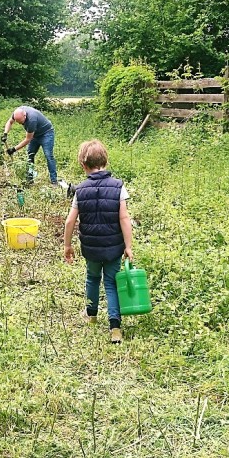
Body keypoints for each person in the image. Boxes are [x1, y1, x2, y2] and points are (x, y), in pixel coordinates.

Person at [63, 140, 134, 344]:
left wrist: (67, 246)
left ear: (83, 165)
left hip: (90, 248)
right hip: (113, 248)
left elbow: (70, 221)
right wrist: (128, 246)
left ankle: (91, 315)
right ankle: (115, 328)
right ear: (105, 160)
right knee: (111, 283)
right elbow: (124, 218)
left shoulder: (80, 190)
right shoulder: (118, 187)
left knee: (92, 279)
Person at [4, 105, 58, 185]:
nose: (19, 124)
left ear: (25, 116)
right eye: (17, 122)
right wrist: (5, 133)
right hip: (35, 135)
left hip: (46, 134)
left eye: (21, 122)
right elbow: (9, 122)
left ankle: (54, 180)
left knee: (48, 155)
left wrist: (14, 149)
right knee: (30, 155)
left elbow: (28, 139)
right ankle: (30, 179)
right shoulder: (17, 113)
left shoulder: (31, 120)